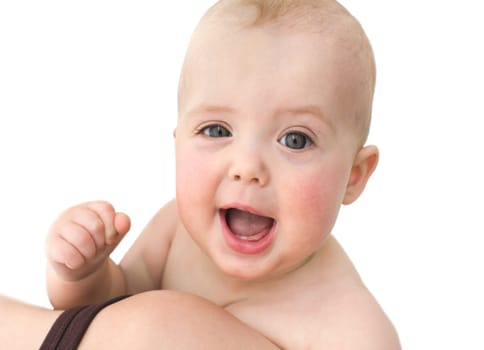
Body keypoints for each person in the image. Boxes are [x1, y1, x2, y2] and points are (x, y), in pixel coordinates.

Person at [2, 0, 401, 348]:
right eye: (217, 130)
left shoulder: (351, 328)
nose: (247, 168)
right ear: (177, 143)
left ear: (354, 175)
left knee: (161, 327)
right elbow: (102, 311)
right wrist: (84, 273)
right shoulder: (176, 229)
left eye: (295, 140)